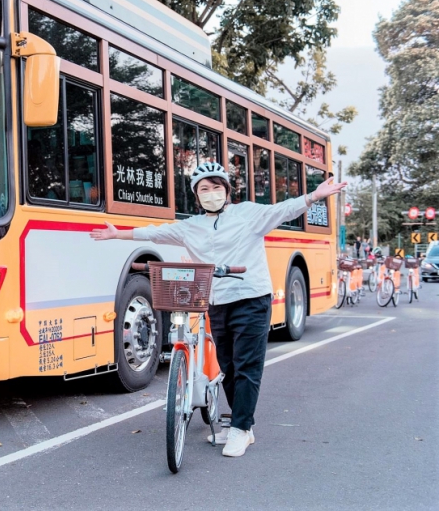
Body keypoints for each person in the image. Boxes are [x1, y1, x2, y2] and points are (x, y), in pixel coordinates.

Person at [90, 162, 346, 458]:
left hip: (251, 298)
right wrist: (118, 234)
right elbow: (155, 233)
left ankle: (241, 429)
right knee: (228, 366)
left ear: (227, 190)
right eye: (204, 190)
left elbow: (282, 210)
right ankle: (241, 424)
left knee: (247, 367)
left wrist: (314, 196)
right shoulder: (191, 226)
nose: (211, 194)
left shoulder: (248, 214)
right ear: (197, 196)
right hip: (216, 302)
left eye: (216, 188)